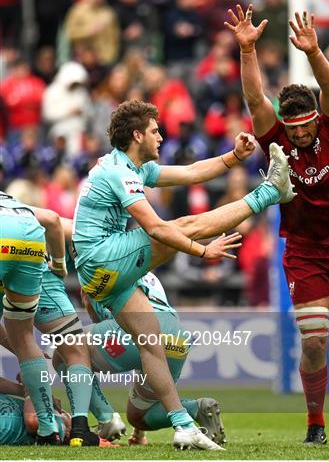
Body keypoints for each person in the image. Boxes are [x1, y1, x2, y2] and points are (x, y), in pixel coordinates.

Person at [72, 99, 295, 450]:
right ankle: (269, 192)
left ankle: (182, 424)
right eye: (154, 131)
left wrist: (234, 157)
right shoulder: (119, 171)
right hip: (101, 258)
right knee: (182, 226)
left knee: (150, 341)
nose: (161, 137)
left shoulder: (133, 168)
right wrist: (204, 251)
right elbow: (158, 230)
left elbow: (191, 173)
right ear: (136, 135)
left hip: (102, 275)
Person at [225, 4, 329, 445]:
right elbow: (255, 99)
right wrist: (248, 50)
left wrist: (313, 52)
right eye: (292, 129)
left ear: (315, 119)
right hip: (306, 250)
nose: (299, 134)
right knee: (312, 341)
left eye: (305, 126)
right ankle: (315, 423)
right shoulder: (277, 136)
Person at [54, 271, 226, 447]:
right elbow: (144, 355)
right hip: (176, 337)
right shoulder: (146, 272)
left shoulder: (97, 264)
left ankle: (106, 419)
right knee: (139, 416)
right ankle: (196, 409)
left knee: (64, 351)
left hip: (130, 332)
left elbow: (105, 317)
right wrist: (139, 432)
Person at [0, 194, 67, 444]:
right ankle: (48, 426)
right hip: (29, 234)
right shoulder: (10, 200)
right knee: (24, 336)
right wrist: (59, 265)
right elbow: (51, 218)